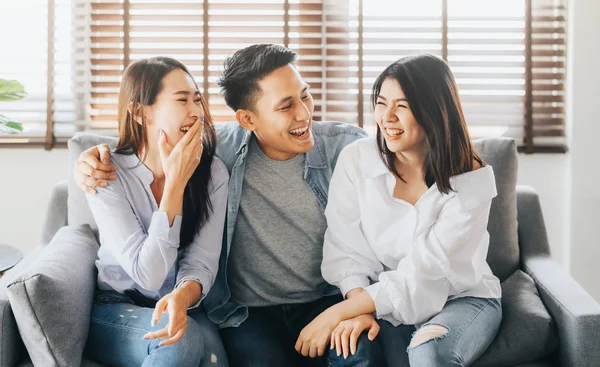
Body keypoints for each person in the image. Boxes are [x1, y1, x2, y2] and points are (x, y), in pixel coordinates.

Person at [74, 45, 383, 366]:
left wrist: (359, 304)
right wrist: (90, 160)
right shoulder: (210, 155)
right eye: (286, 106)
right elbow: (141, 148)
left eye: (305, 96)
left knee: (360, 352)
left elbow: (385, 228)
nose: (304, 114)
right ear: (247, 119)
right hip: (241, 312)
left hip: (326, 298)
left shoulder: (345, 148)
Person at [297, 54, 502, 367]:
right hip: (386, 296)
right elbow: (346, 250)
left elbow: (425, 274)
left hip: (461, 298)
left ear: (434, 111)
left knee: (427, 353)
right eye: (381, 103)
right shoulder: (356, 160)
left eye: (402, 106)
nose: (387, 117)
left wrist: (336, 313)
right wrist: (358, 306)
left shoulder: (471, 180)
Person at [82, 57, 229, 367]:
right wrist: (175, 185)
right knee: (177, 342)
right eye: (181, 100)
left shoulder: (213, 172)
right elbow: (147, 275)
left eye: (197, 100)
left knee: (214, 361)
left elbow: (202, 262)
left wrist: (183, 296)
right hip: (118, 305)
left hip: (183, 303)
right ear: (140, 112)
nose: (196, 112)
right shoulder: (106, 173)